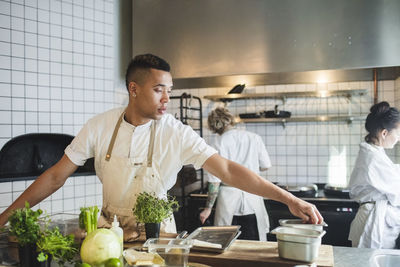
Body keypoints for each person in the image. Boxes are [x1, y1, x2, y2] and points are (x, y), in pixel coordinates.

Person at [0, 54, 323, 241]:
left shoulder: (176, 133)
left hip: (160, 241)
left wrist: (289, 198)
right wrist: (4, 218)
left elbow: (225, 169)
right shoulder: (98, 126)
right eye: (159, 90)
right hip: (108, 236)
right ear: (134, 88)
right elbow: (56, 176)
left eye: (169, 90)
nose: (167, 99)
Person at [199, 107, 271, 241]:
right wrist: (250, 168)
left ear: (214, 126)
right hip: (253, 197)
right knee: (255, 246)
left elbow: (214, 181)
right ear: (230, 120)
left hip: (228, 202)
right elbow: (266, 166)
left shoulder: (217, 144)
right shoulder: (254, 138)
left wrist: (208, 209)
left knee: (227, 242)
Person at [348, 101, 400, 249]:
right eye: (398, 134)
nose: (398, 139)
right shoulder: (372, 156)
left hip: (374, 219)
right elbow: (397, 191)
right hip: (372, 223)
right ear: (384, 133)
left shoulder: (375, 152)